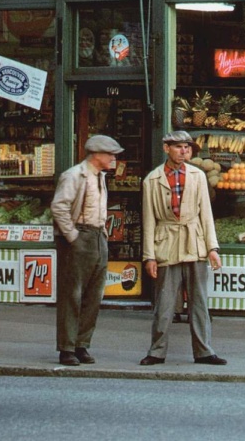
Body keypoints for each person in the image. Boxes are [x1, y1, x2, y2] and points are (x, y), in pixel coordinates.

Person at [139, 131, 226, 366]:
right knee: (165, 303)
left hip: (195, 241)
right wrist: (149, 257)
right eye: (178, 147)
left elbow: (206, 214)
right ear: (166, 148)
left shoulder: (198, 176)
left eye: (187, 147)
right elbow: (149, 221)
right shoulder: (152, 180)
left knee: (199, 301)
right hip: (166, 244)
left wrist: (212, 248)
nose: (184, 151)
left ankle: (204, 351)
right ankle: (157, 351)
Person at [51, 134, 124, 366]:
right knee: (72, 294)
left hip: (97, 236)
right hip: (79, 235)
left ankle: (82, 344)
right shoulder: (74, 175)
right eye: (111, 154)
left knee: (94, 295)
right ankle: (67, 348)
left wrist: (102, 235)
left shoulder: (99, 177)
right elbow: (59, 206)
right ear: (97, 155)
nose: (114, 158)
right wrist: (72, 236)